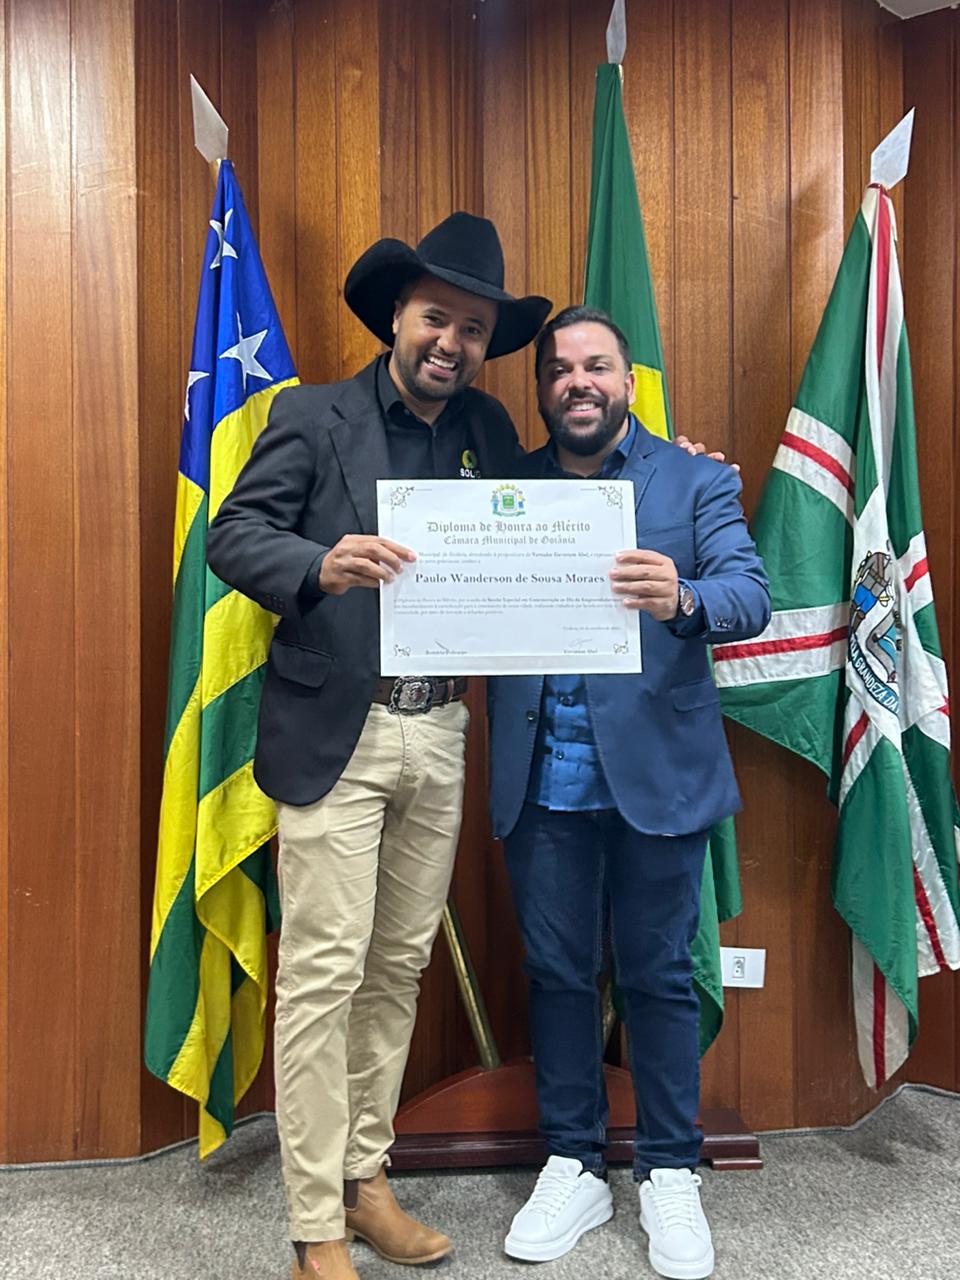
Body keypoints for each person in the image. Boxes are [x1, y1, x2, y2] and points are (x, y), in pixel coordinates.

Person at [206, 212, 551, 1280]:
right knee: (324, 972)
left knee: (397, 966)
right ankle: (315, 1221)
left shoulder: (488, 428)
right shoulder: (312, 416)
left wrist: (664, 469)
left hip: (441, 728)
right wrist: (319, 564)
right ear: (398, 314)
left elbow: (548, 524)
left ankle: (365, 1179)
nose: (453, 341)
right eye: (437, 317)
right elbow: (232, 534)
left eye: (474, 328)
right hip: (335, 733)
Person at [486, 306, 770, 1280]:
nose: (578, 382)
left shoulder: (696, 478)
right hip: (541, 779)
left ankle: (669, 1166)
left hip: (660, 777)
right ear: (543, 389)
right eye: (560, 369)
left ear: (628, 382)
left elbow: (749, 593)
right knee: (557, 973)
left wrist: (685, 595)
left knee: (657, 977)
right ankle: (574, 1161)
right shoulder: (506, 487)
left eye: (596, 365)